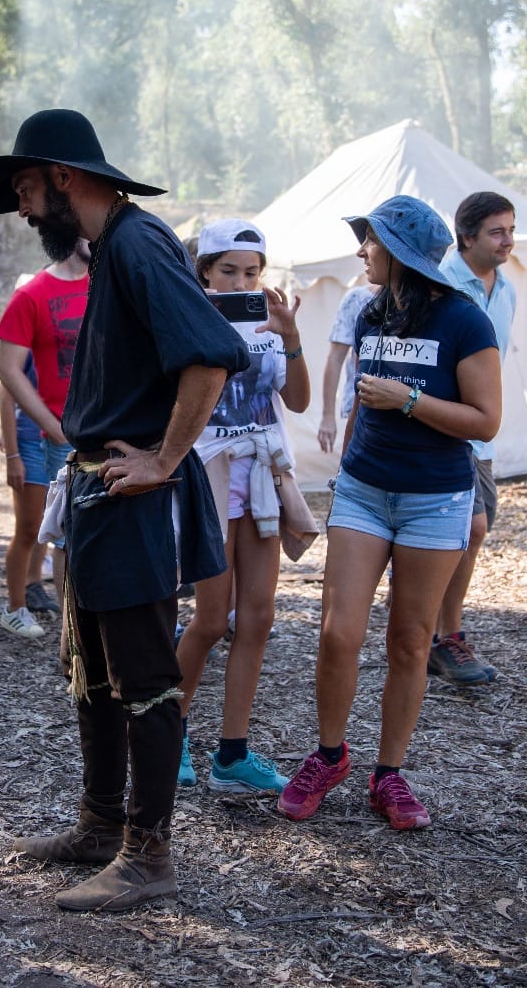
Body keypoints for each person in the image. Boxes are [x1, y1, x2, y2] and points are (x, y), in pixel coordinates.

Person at [0, 109, 246, 911]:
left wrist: (166, 459)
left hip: (132, 496)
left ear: (63, 177)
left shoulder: (140, 242)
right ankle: (99, 826)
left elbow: (214, 357)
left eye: (24, 189)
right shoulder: (112, 249)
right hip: (95, 493)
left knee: (146, 681)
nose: (21, 209)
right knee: (95, 676)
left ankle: (148, 857)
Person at [276, 195, 500, 832]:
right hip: (364, 491)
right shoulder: (370, 311)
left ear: (398, 251)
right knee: (337, 633)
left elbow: (485, 420)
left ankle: (389, 774)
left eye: (368, 240)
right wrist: (352, 444)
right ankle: (329, 755)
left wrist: (409, 400)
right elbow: (359, 400)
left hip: (436, 499)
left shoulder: (465, 321)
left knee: (408, 642)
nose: (359, 251)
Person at [174, 220, 309, 794]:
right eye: (228, 270)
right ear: (203, 270)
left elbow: (297, 400)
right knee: (210, 617)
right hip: (210, 476)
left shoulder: (269, 325)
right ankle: (170, 736)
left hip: (264, 476)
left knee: (257, 617)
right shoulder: (185, 316)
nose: (241, 281)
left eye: (251, 271)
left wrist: (290, 336)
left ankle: (232, 753)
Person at [430, 192, 518, 685]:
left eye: (510, 229)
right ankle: (444, 637)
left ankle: (431, 635)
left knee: (471, 534)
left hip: (481, 437)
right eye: (497, 231)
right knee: (472, 528)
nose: (508, 240)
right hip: (444, 428)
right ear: (466, 237)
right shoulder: (440, 285)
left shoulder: (507, 291)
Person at [0, 239, 89, 637]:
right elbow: (8, 374)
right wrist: (40, 434)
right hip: (42, 434)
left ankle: (77, 627)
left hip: (94, 431)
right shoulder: (31, 295)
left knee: (77, 534)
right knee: (32, 526)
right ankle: (16, 606)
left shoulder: (106, 287)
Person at [317, 280, 378, 459]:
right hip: (360, 410)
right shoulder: (357, 299)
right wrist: (328, 416)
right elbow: (335, 358)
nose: (362, 253)